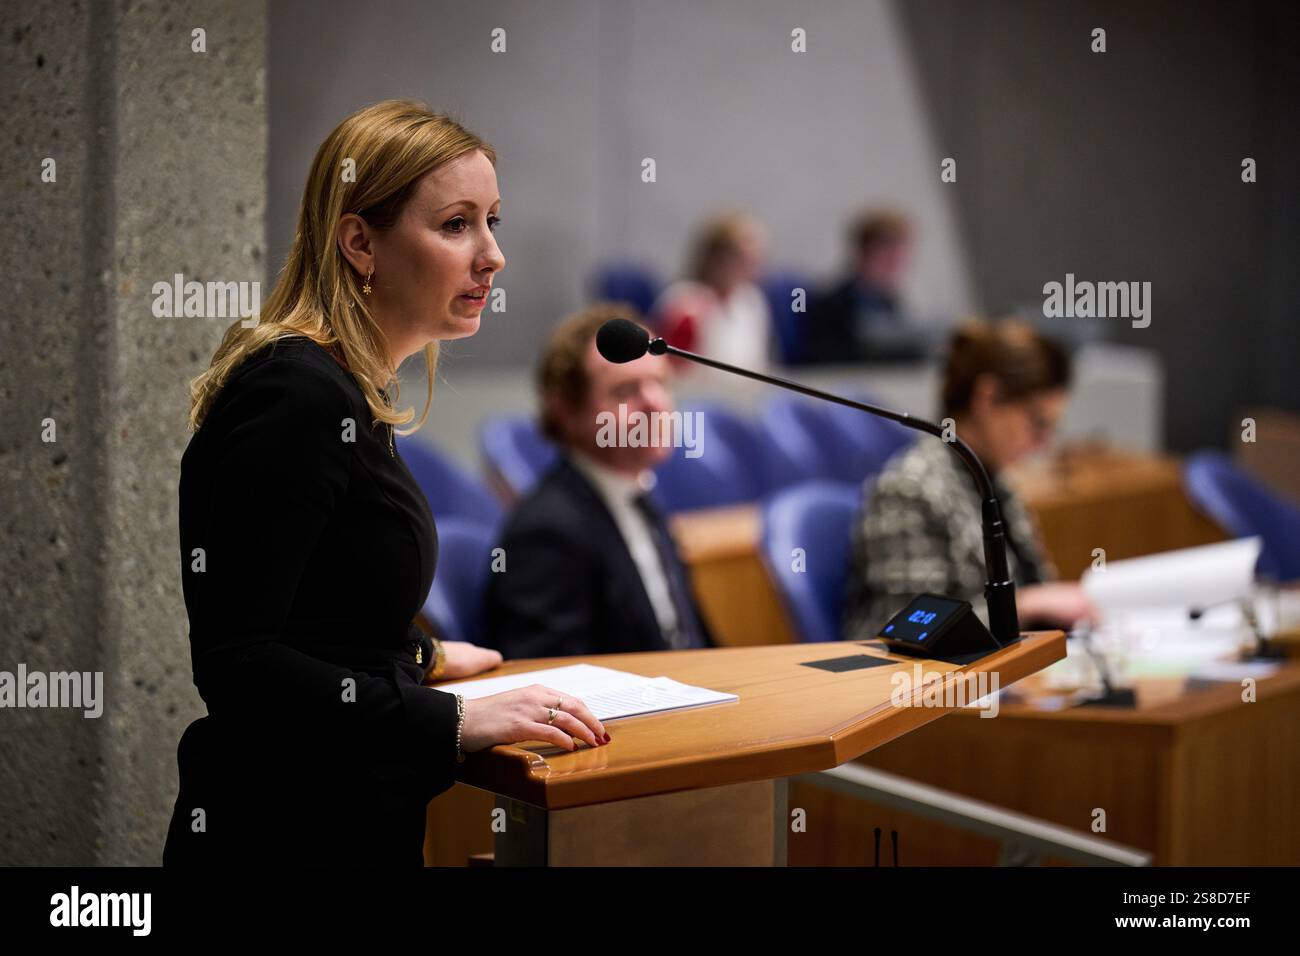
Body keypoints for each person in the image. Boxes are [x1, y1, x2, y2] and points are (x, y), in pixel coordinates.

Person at [164, 100, 609, 867]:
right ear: (361, 242)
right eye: (456, 225)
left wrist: (421, 659)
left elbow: (320, 615)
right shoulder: (296, 396)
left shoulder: (344, 393)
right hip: (279, 836)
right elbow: (239, 663)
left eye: (493, 220)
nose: (493, 255)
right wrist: (456, 722)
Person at [483, 305, 716, 659]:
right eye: (625, 391)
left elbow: (693, 643)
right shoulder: (546, 533)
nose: (655, 403)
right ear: (565, 411)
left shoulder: (644, 502)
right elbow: (549, 678)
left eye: (660, 383)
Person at [842, 318, 1094, 640]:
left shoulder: (996, 481)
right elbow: (910, 629)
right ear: (987, 398)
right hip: (921, 685)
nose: (1043, 442)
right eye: (1038, 422)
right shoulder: (908, 488)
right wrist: (1027, 606)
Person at [804, 208, 930, 363]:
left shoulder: (889, 300)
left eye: (901, 254)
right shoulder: (834, 305)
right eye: (889, 253)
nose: (898, 261)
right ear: (865, 252)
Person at [652, 212, 774, 371]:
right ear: (716, 259)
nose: (753, 267)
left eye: (756, 260)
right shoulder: (685, 303)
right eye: (743, 259)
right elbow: (673, 369)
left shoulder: (753, 300)